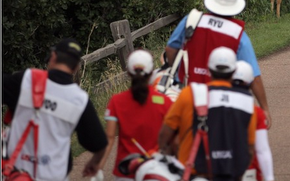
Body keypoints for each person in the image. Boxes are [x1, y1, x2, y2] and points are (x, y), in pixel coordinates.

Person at [165, 0, 272, 128]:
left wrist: (179, 72)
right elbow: (253, 75)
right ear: (234, 9)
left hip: (186, 93)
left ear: (212, 4)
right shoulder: (238, 34)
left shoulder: (192, 21)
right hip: (219, 100)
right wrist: (264, 107)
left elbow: (170, 50)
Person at [2, 38, 108, 180]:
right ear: (76, 67)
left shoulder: (27, 80)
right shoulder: (79, 99)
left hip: (16, 172)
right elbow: (98, 143)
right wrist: (93, 163)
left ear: (53, 57)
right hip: (54, 176)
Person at [158, 47, 257, 181]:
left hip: (193, 173)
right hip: (230, 174)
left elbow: (166, 133)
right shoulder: (247, 102)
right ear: (234, 71)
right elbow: (249, 149)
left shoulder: (189, 94)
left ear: (209, 70)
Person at [98, 49, 173, 180]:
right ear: (151, 73)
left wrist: (98, 166)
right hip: (155, 170)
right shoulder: (164, 102)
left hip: (125, 171)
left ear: (128, 73)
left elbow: (109, 138)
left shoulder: (116, 101)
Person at [232, 61, 275, 181]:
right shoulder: (255, 112)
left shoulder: (212, 105)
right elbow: (262, 150)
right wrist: (269, 178)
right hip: (248, 169)